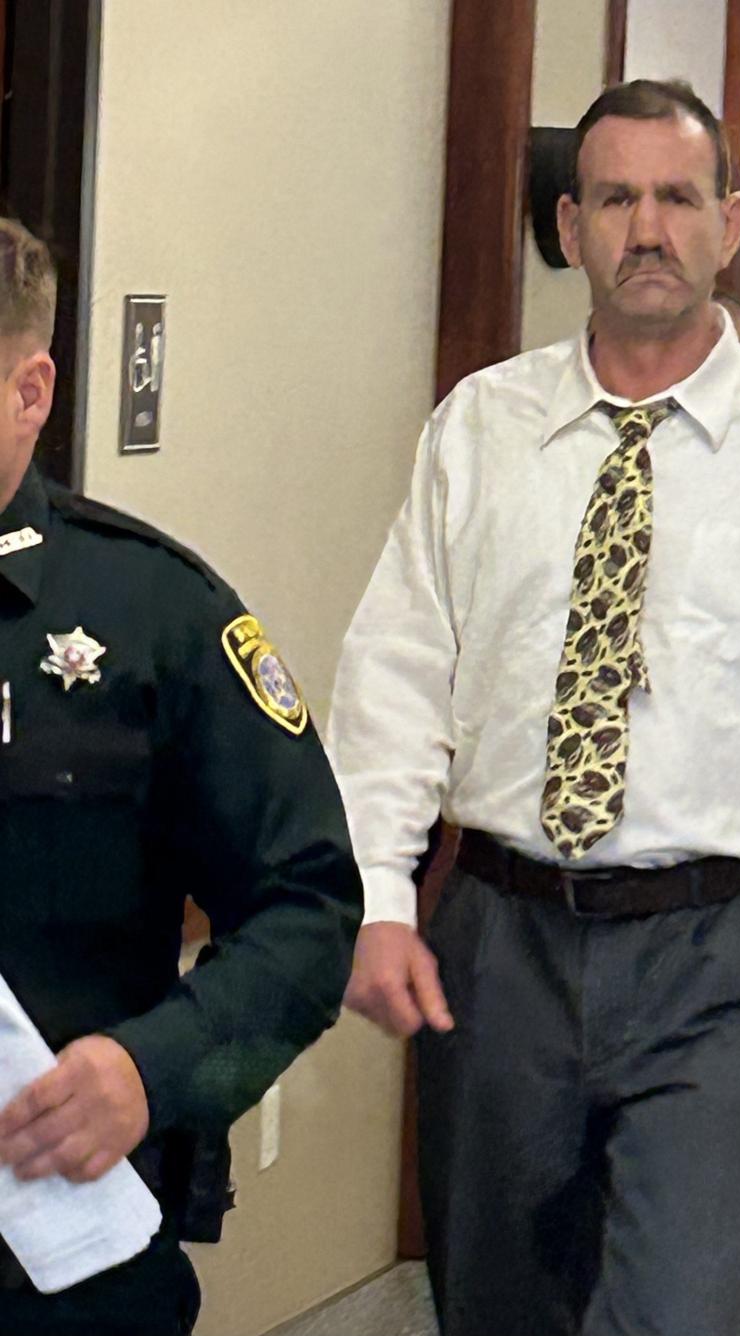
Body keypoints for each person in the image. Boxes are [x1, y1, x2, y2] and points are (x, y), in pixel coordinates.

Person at [328, 79, 740, 1336]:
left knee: (688, 1308)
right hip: (501, 941)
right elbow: (394, 677)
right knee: (500, 1306)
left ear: (730, 223)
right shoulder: (480, 429)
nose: (648, 228)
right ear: (571, 226)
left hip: (720, 949)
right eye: (616, 196)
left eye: (678, 197)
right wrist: (378, 898)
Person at [0, 217, 363, 1334]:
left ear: (31, 389)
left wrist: (154, 1071)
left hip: (55, 1247)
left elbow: (309, 913)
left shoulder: (152, 613)